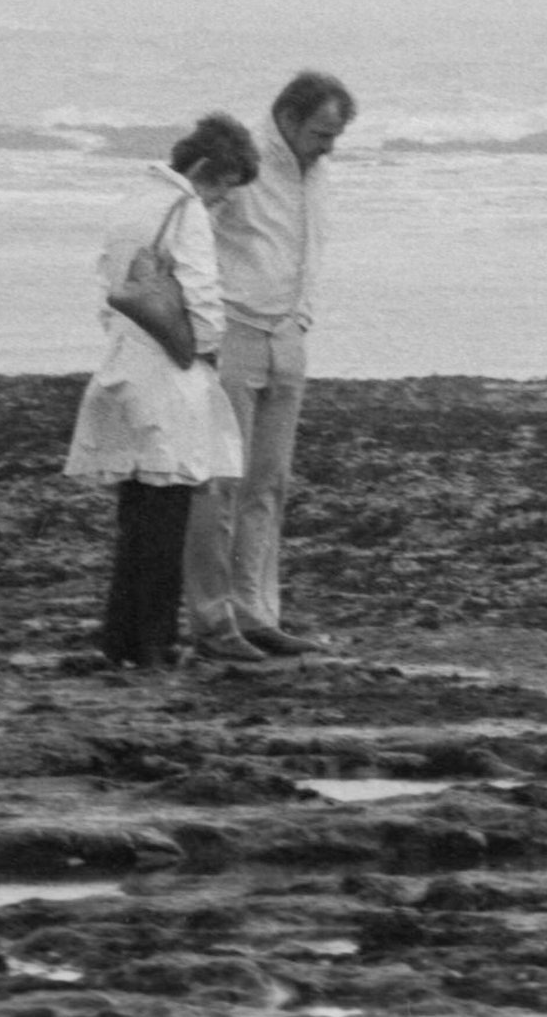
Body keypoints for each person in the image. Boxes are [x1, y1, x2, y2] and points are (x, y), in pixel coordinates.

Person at [63, 114, 262, 669]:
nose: (221, 201)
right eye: (223, 186)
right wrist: (205, 343)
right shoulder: (186, 211)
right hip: (168, 378)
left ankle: (121, 640)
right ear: (203, 170)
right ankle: (152, 645)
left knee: (137, 514)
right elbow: (202, 304)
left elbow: (110, 288)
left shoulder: (134, 201)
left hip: (123, 364)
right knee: (166, 515)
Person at [186, 70, 355, 661]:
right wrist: (208, 320)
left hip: (288, 334)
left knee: (270, 482)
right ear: (286, 118)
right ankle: (216, 618)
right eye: (320, 133)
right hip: (234, 328)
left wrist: (302, 318)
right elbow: (193, 225)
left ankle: (258, 612)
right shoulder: (245, 157)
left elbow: (311, 251)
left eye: (335, 136)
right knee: (223, 481)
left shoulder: (319, 173)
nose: (328, 146)